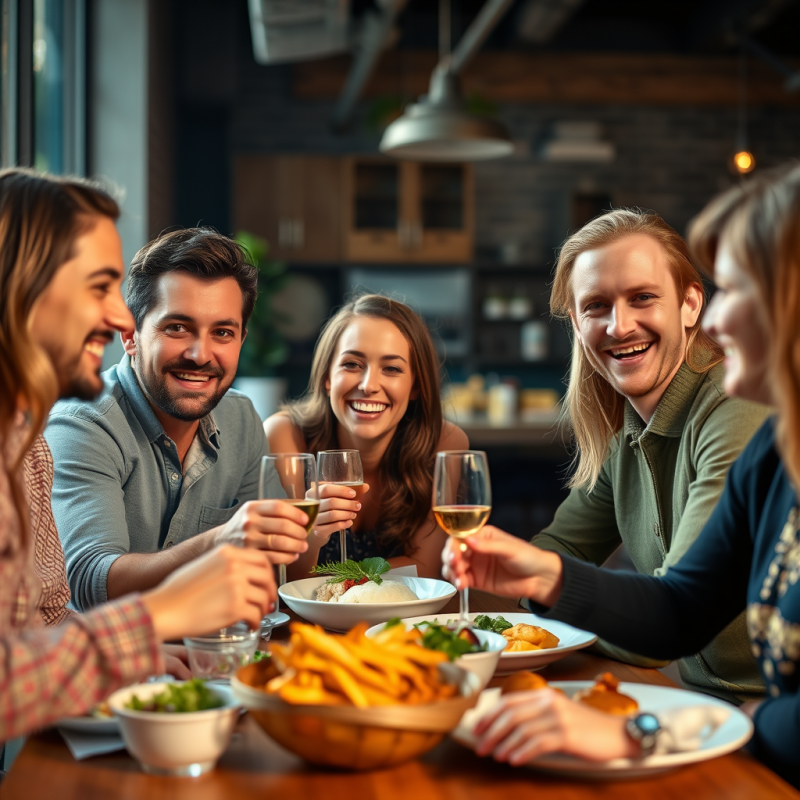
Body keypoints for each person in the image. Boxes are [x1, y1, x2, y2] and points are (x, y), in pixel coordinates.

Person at [444, 164, 800, 789]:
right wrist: (543, 574)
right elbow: (678, 610)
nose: (717, 322)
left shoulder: (740, 418)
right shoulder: (769, 455)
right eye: (596, 307)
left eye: (735, 291)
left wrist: (649, 731)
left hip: (733, 733)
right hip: (722, 724)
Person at [0, 167, 276, 739]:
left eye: (224, 332)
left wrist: (125, 660)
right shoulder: (71, 424)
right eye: (97, 287)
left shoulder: (24, 449)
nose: (119, 315)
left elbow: (45, 624)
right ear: (22, 288)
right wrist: (158, 618)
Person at [532, 209, 770, 701]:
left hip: (770, 713)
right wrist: (544, 586)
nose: (620, 327)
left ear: (690, 304)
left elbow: (666, 619)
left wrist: (549, 603)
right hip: (701, 696)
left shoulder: (736, 405)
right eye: (596, 305)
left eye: (642, 297)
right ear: (577, 323)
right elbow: (559, 548)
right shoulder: (623, 428)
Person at [46, 228, 310, 610]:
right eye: (177, 327)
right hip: (109, 660)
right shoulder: (83, 422)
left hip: (211, 649)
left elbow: (265, 564)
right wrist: (220, 541)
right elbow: (89, 583)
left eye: (222, 332)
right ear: (130, 335)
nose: (201, 354)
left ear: (241, 340)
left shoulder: (241, 418)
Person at [264, 294, 468, 579]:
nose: (369, 385)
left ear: (416, 387)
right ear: (327, 377)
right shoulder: (285, 436)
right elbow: (285, 578)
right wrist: (313, 535)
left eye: (392, 369)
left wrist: (332, 579)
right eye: (352, 364)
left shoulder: (444, 443)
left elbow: (427, 570)